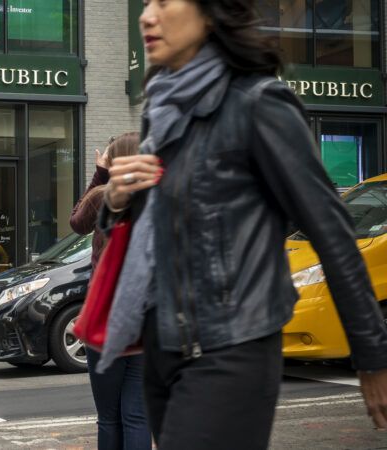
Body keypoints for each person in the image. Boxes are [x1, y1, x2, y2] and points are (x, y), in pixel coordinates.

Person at [98, 0, 387, 449]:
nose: (146, 15)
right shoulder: (164, 109)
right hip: (163, 347)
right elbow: (168, 228)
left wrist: (371, 354)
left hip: (232, 348)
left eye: (163, 1)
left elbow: (332, 232)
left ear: (211, 14)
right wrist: (117, 201)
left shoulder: (260, 103)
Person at [70, 133, 149, 450]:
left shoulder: (103, 197)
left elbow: (78, 222)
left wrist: (100, 173)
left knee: (109, 417)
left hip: (106, 317)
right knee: (138, 417)